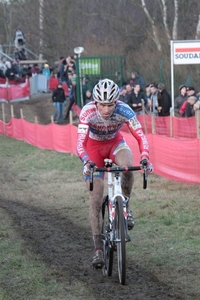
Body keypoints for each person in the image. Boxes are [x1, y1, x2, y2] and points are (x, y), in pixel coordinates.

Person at [76, 79, 153, 269]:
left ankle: (125, 205)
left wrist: (145, 157)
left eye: (110, 104)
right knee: (96, 196)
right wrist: (87, 161)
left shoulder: (124, 109)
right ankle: (98, 248)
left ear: (116, 103)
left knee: (128, 165)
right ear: (96, 103)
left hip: (115, 144)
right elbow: (80, 143)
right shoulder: (87, 112)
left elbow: (140, 135)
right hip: (93, 150)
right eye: (102, 104)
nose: (106, 109)